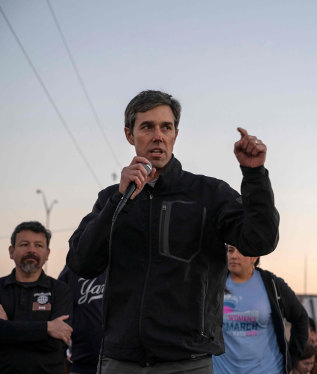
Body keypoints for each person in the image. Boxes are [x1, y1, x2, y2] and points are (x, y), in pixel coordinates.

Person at [66, 90, 280, 373]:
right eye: (147, 127)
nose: (158, 135)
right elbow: (82, 261)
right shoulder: (111, 199)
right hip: (120, 361)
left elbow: (260, 240)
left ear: (175, 135)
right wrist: (120, 200)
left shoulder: (209, 194)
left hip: (187, 362)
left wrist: (254, 175)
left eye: (165, 127)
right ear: (130, 135)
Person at [213, 244, 308, 373]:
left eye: (240, 250)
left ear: (254, 256)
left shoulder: (272, 285)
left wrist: (292, 358)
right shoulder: (213, 284)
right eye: (230, 250)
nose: (233, 256)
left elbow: (300, 318)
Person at [0, 221, 73, 374]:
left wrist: (8, 328)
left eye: (39, 245)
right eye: (24, 244)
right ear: (11, 251)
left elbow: (55, 344)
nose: (31, 250)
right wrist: (47, 328)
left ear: (47, 254)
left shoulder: (60, 290)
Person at [58, 265, 105, 374]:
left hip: (118, 362)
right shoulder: (71, 270)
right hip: (82, 362)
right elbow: (59, 318)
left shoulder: (118, 266)